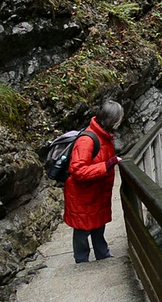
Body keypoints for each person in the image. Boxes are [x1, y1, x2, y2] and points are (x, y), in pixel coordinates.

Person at [63, 100, 124, 263]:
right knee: (82, 229)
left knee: (98, 225)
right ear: (111, 120)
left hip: (95, 191)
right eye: (118, 118)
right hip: (83, 194)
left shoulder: (104, 136)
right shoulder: (87, 140)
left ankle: (102, 254)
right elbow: (77, 170)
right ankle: (81, 261)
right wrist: (107, 165)